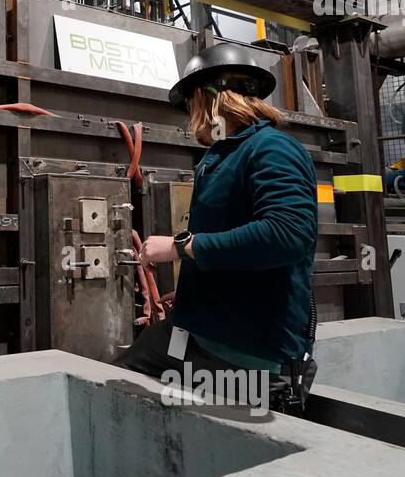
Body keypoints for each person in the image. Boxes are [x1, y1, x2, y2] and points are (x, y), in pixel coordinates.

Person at [115, 42, 319, 411]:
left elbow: (286, 235)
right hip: (192, 333)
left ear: (210, 98)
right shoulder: (220, 156)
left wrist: (180, 247)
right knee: (116, 382)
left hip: (245, 355)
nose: (191, 117)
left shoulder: (272, 149)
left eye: (191, 105)